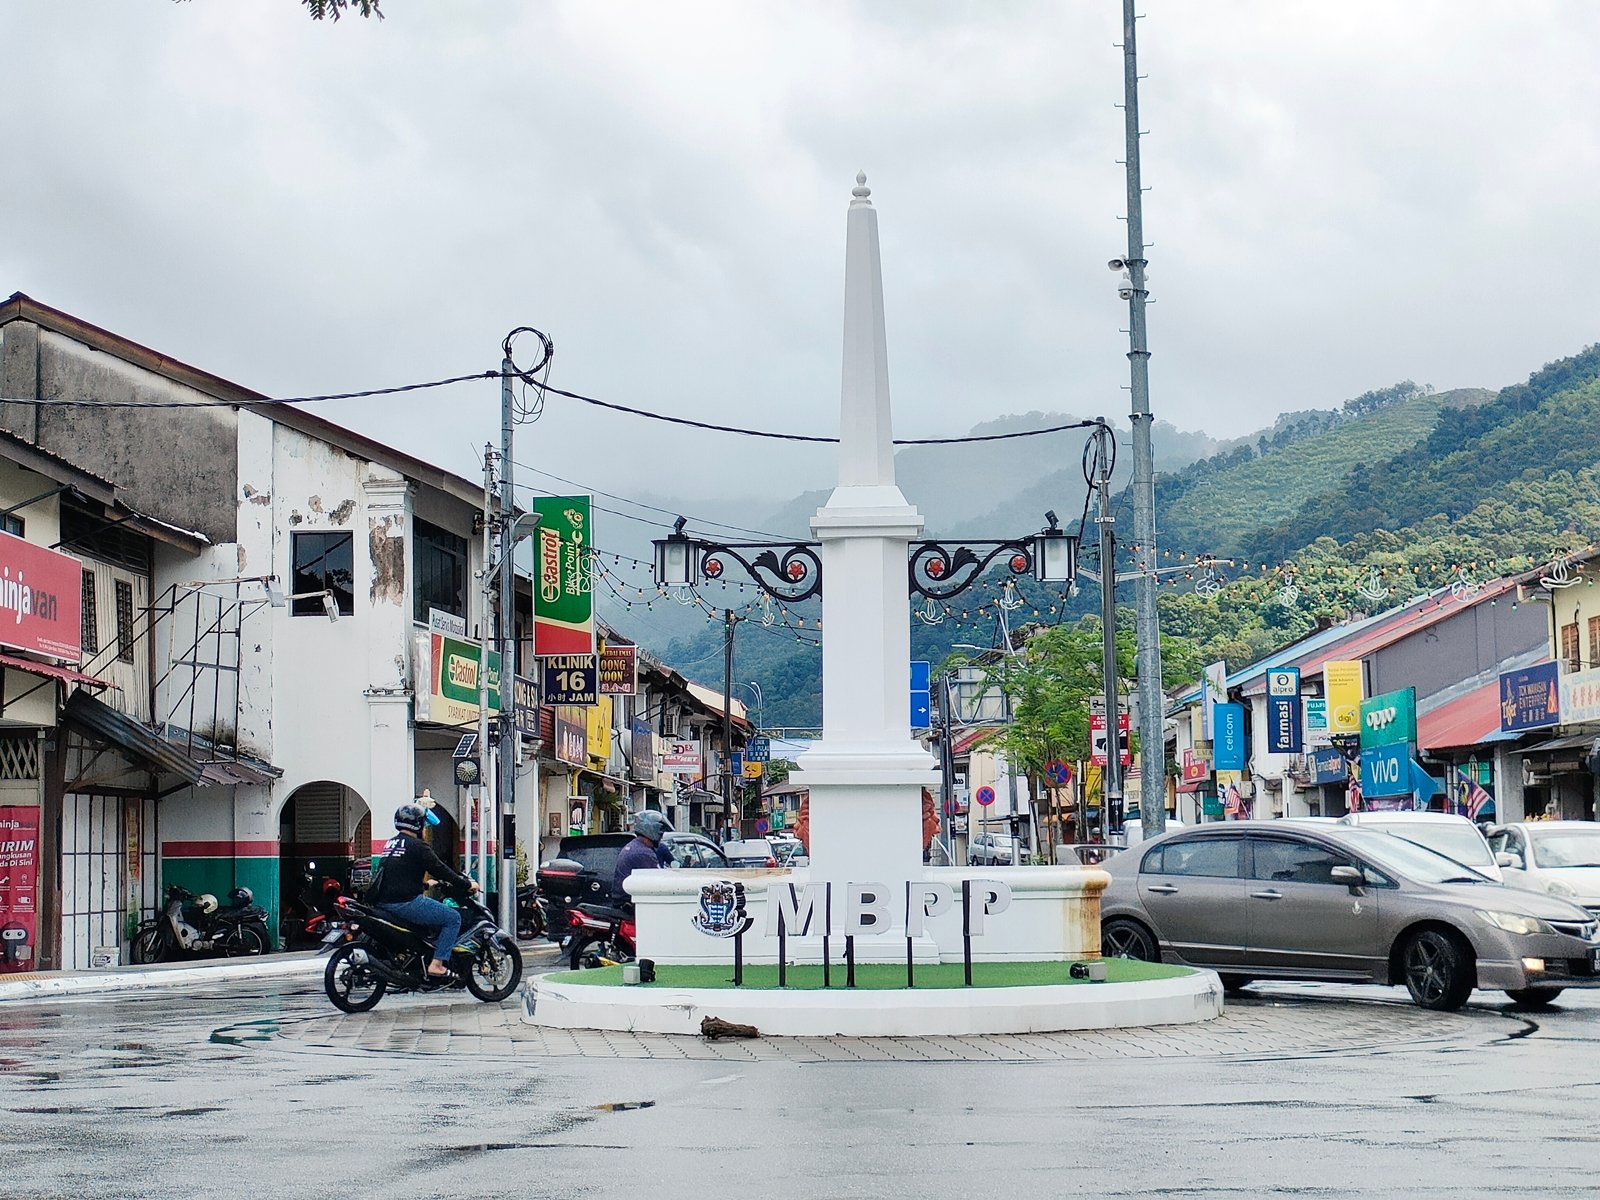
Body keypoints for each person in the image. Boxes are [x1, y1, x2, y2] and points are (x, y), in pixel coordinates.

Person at [369, 802, 478, 978]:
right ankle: (437, 964)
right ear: (418, 824)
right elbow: (440, 868)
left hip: (385, 902)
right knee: (452, 918)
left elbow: (398, 875)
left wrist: (426, 885)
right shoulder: (418, 846)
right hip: (405, 903)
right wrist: (466, 884)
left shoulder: (392, 843)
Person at [614, 810, 671, 902]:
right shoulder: (643, 853)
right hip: (630, 903)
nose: (661, 838)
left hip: (623, 900)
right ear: (652, 830)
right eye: (660, 834)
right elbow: (658, 883)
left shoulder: (634, 845)